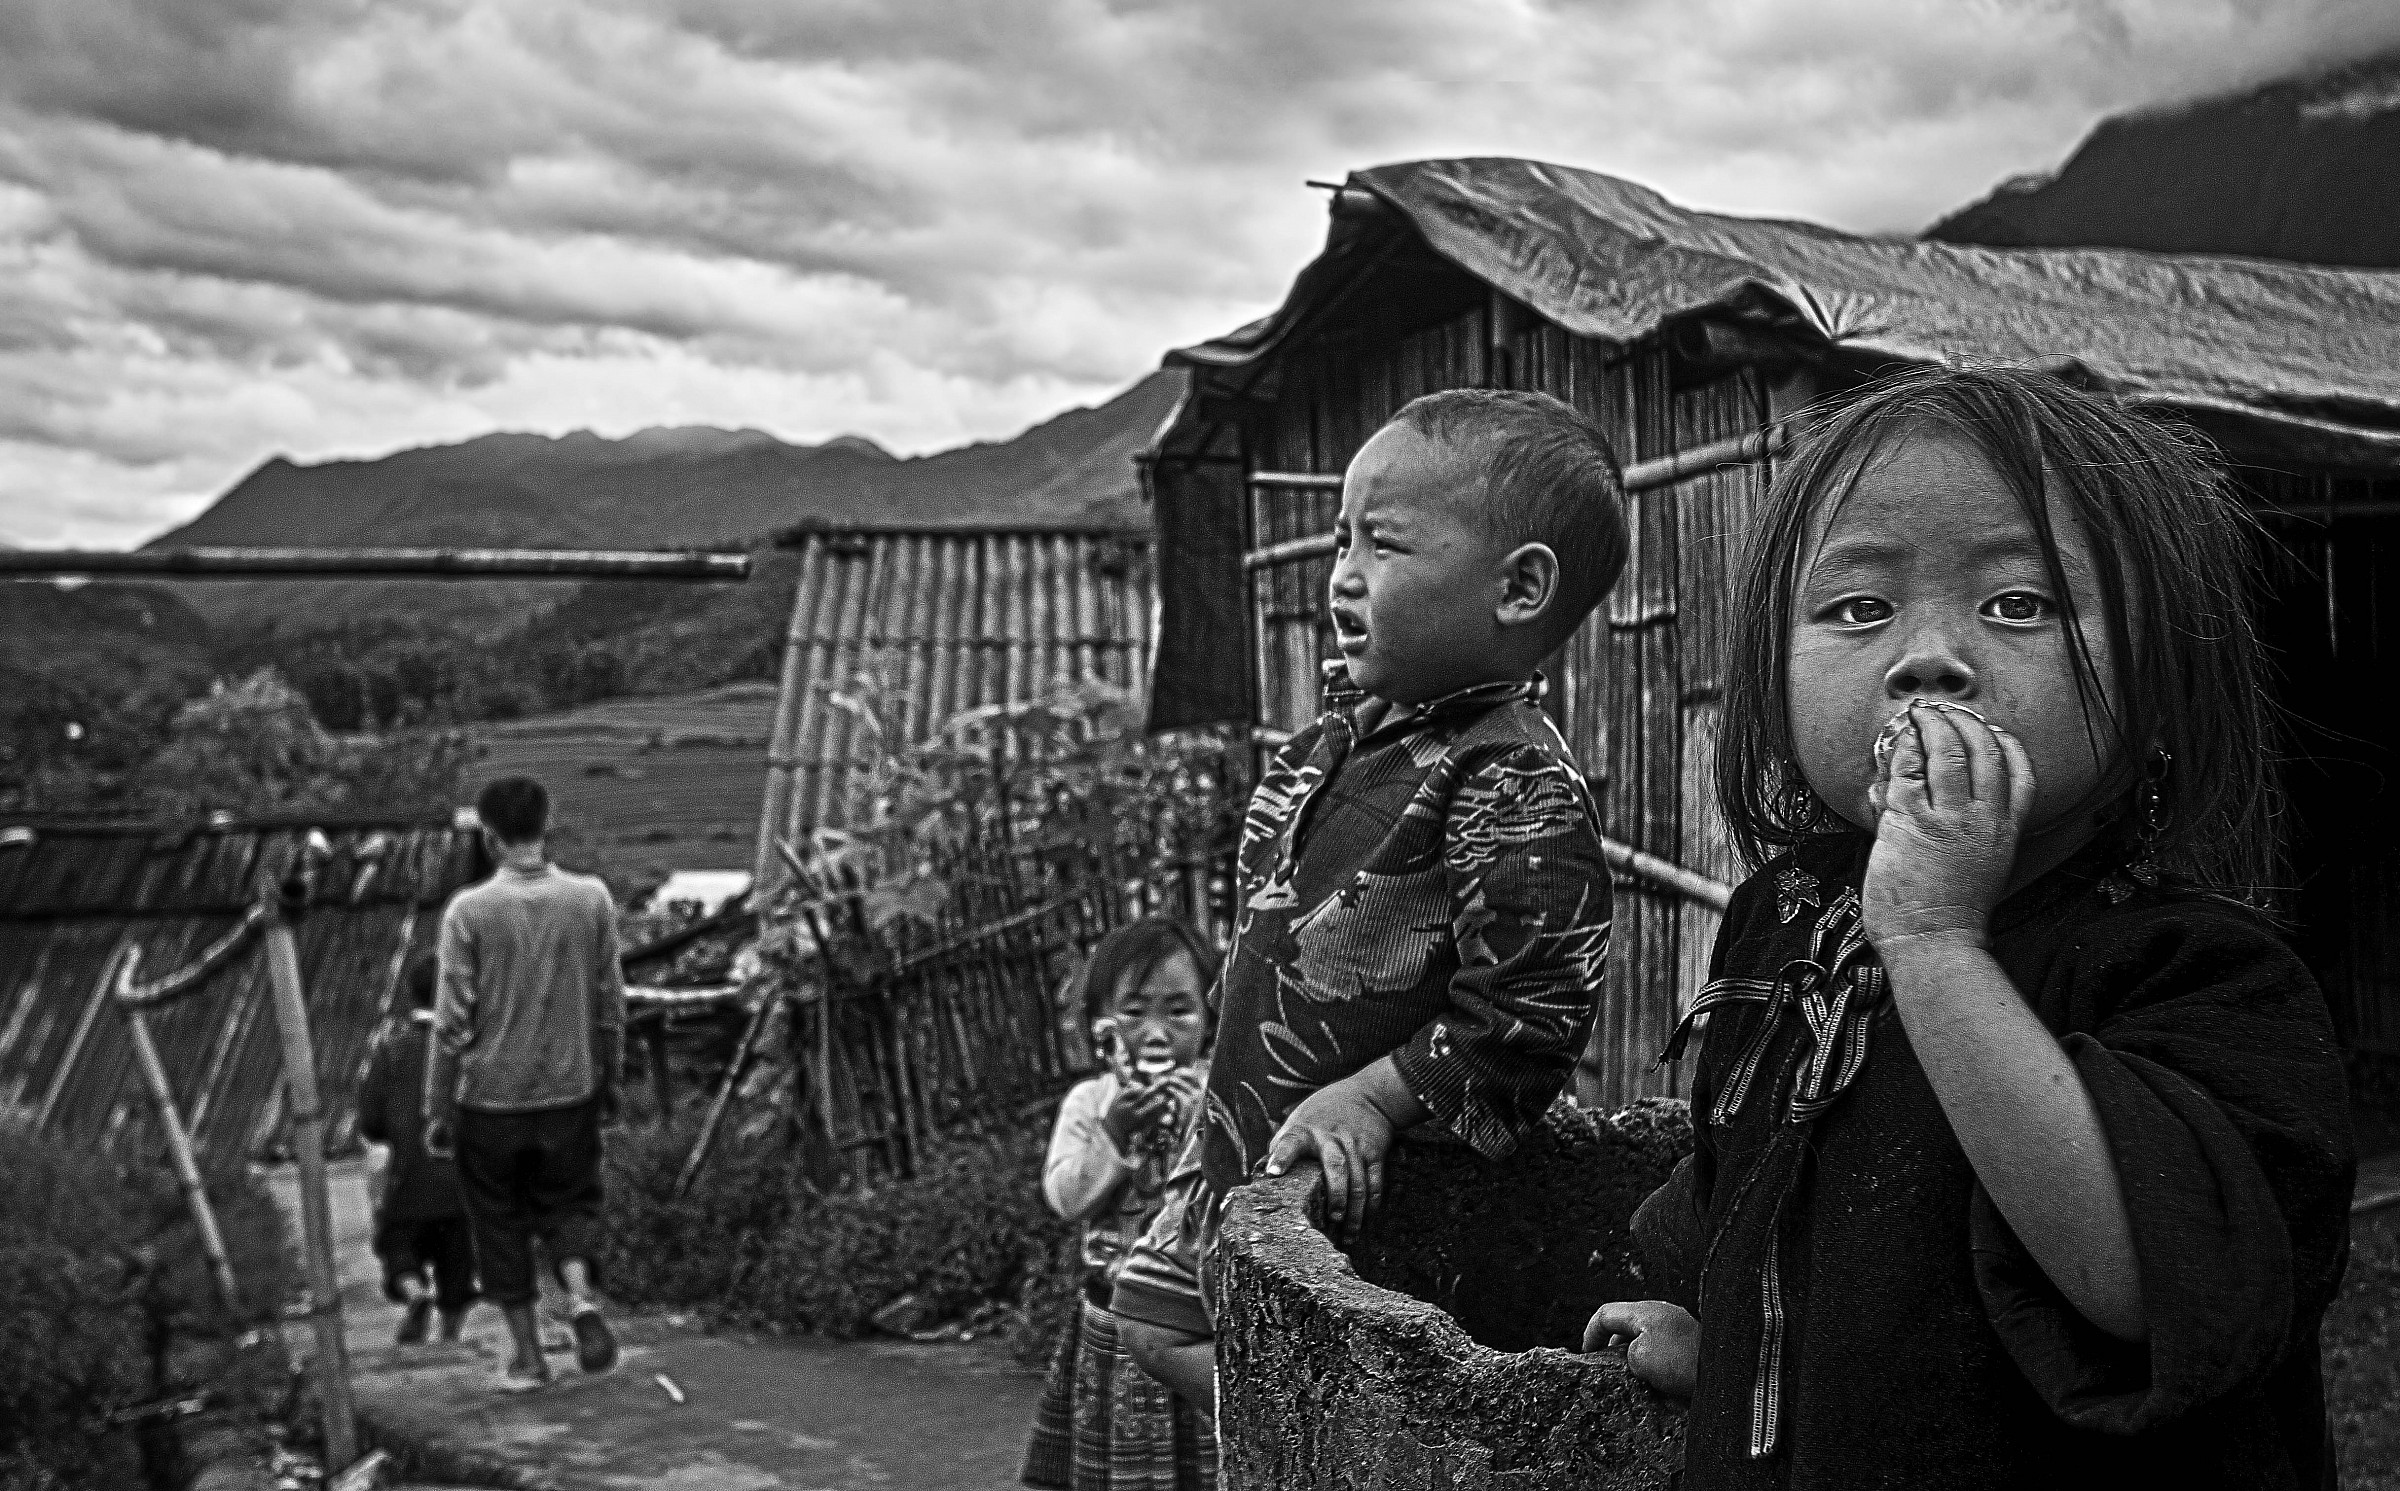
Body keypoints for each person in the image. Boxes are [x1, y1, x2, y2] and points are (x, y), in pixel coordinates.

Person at [1588, 367, 2355, 1489]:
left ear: (2160, 684)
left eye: (2018, 605)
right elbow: (1741, 1162)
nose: (1928, 658)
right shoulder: (1785, 916)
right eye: (1860, 608)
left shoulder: (2201, 975)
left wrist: (1938, 945)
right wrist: (1728, 1328)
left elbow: (2144, 1278)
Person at [1110, 387, 1627, 1416]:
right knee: (1154, 1316)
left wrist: (1374, 1098)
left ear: (1519, 588)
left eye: (1381, 546)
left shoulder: (1506, 779)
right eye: (1340, 540)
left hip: (1357, 1182)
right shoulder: (1341, 738)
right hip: (1242, 1135)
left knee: (1258, 1352)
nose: (1341, 575)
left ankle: (1337, 1446)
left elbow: (1529, 1020)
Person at [424, 776, 627, 1391]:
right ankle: (581, 1297)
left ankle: (529, 1358)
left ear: (488, 837)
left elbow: (452, 1023)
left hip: (490, 1100)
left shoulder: (470, 911)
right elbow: (609, 1002)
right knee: (565, 1202)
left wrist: (437, 1105)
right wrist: (609, 1077)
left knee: (499, 1219)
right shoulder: (591, 899)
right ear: (547, 825)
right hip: (569, 1089)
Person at [1021, 917, 1219, 1491]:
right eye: (1134, 1012)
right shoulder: (1091, 1101)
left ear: (1209, 1023)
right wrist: (1112, 1133)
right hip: (1108, 1321)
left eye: (1179, 1011)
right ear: (1103, 1023)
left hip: (1191, 1327)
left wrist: (1196, 1130)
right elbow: (1067, 1199)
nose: (1155, 1032)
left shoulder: (1221, 1098)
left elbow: (1228, 1199)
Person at [357, 954, 476, 1345]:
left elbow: (372, 1123)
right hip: (462, 1187)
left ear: (413, 996)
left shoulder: (393, 1051)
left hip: (408, 1183)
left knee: (397, 1244)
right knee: (457, 1260)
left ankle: (414, 1293)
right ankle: (450, 1339)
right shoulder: (471, 1051)